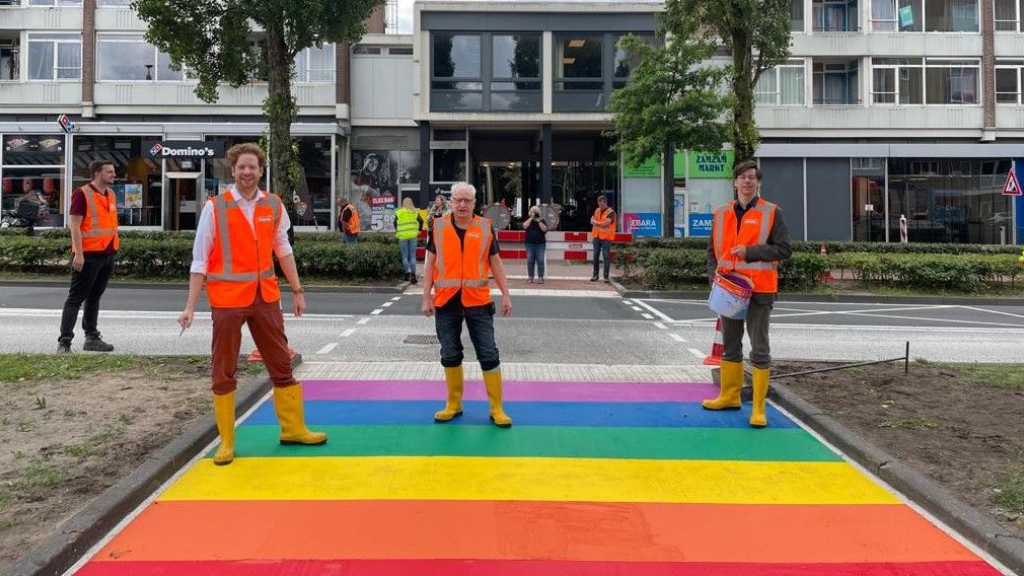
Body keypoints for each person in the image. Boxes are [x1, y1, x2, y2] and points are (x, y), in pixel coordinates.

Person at [177, 143, 327, 466]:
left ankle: (293, 429)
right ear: (232, 171)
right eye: (241, 167)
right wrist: (189, 306)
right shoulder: (214, 208)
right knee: (224, 367)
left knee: (281, 362)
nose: (247, 172)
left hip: (266, 298)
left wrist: (297, 291)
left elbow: (283, 248)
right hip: (228, 301)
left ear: (261, 171)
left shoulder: (273, 205)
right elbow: (199, 260)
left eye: (253, 167)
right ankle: (227, 442)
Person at [701, 159, 792, 428]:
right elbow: (711, 251)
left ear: (758, 182)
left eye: (752, 177)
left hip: (760, 290)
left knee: (759, 348)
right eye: (743, 177)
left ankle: (759, 408)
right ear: (735, 182)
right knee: (730, 345)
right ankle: (729, 396)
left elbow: (784, 249)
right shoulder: (721, 213)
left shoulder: (771, 212)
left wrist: (751, 253)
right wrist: (714, 279)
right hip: (729, 290)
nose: (747, 181)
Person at [421, 182, 514, 428]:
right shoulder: (438, 227)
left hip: (478, 301)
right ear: (450, 201)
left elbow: (496, 263)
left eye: (467, 201)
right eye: (458, 200)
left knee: (488, 352)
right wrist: (425, 297)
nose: (462, 205)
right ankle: (453, 404)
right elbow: (430, 265)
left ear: (474, 204)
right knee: (450, 353)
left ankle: (497, 408)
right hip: (446, 301)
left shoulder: (485, 227)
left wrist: (506, 294)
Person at [57, 161, 119, 353]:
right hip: (88, 256)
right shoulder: (82, 194)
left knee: (94, 297)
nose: (113, 175)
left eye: (113, 171)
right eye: (109, 172)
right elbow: (74, 225)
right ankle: (64, 342)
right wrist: (79, 253)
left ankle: (91, 337)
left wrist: (112, 252)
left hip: (107, 254)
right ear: (97, 173)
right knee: (75, 298)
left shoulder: (111, 194)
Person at [395, 197, 424, 283]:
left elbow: (394, 223)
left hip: (402, 236)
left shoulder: (399, 212)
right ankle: (413, 276)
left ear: (403, 203)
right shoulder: (415, 212)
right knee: (412, 256)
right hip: (413, 235)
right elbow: (421, 221)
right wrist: (419, 231)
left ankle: (406, 275)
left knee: (404, 256)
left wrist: (399, 230)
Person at [590, 194, 616, 283]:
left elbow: (606, 224)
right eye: (599, 204)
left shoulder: (611, 212)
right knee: (595, 256)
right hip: (596, 237)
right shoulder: (597, 210)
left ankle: (606, 276)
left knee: (606, 257)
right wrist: (597, 223)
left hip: (606, 238)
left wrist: (596, 223)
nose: (600, 206)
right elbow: (591, 220)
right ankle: (595, 275)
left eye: (601, 204)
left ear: (605, 203)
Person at [523, 205, 548, 284]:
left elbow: (544, 229)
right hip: (529, 243)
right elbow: (524, 226)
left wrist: (538, 221)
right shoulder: (528, 220)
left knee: (540, 260)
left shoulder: (541, 220)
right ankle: (530, 277)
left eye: (535, 212)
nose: (534, 214)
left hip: (540, 244)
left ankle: (540, 277)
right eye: (533, 212)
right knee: (530, 260)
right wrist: (531, 218)